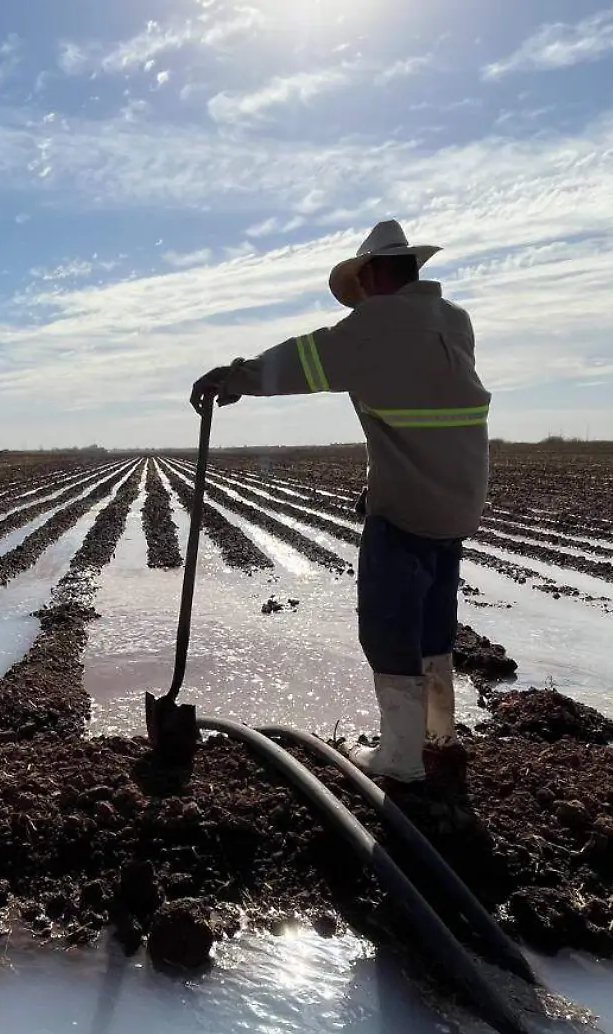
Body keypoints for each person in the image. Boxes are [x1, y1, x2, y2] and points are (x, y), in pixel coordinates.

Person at [189, 220, 490, 797]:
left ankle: (401, 756)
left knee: (388, 621)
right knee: (432, 620)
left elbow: (310, 358)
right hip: (458, 499)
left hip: (408, 506)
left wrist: (237, 376)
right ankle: (437, 738)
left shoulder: (377, 325)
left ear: (374, 272)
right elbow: (418, 410)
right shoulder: (453, 321)